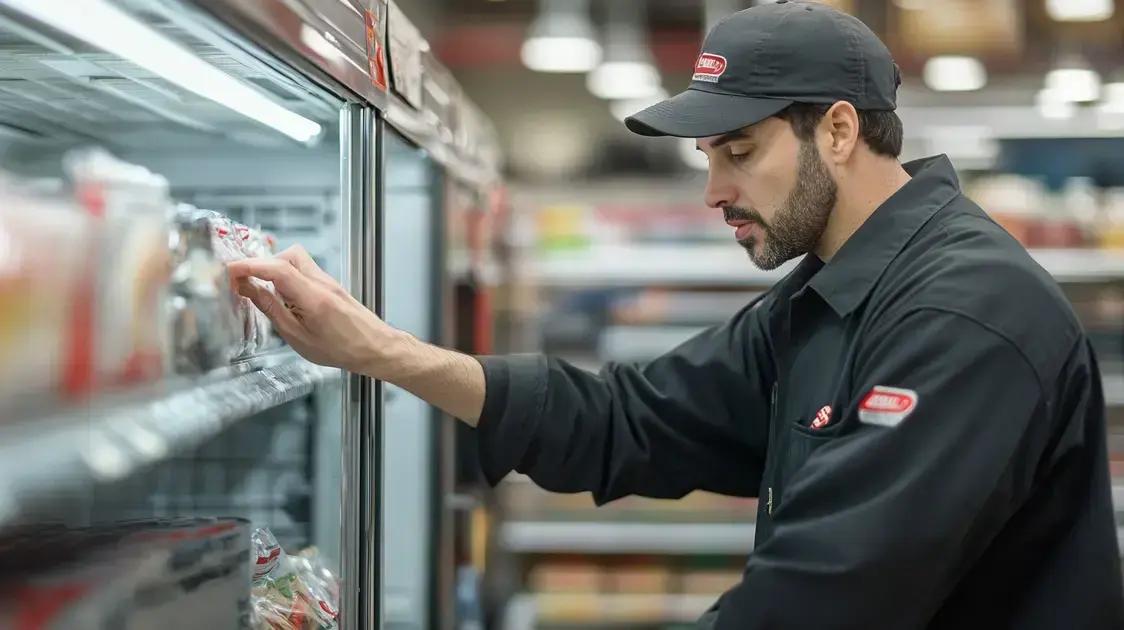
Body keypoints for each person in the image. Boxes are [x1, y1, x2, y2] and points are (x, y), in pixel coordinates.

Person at [228, 2, 1124, 628]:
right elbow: (633, 419)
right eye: (709, 158)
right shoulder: (829, 294)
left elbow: (827, 597)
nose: (714, 191)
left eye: (740, 152)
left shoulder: (963, 315)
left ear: (839, 131)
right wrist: (381, 350)